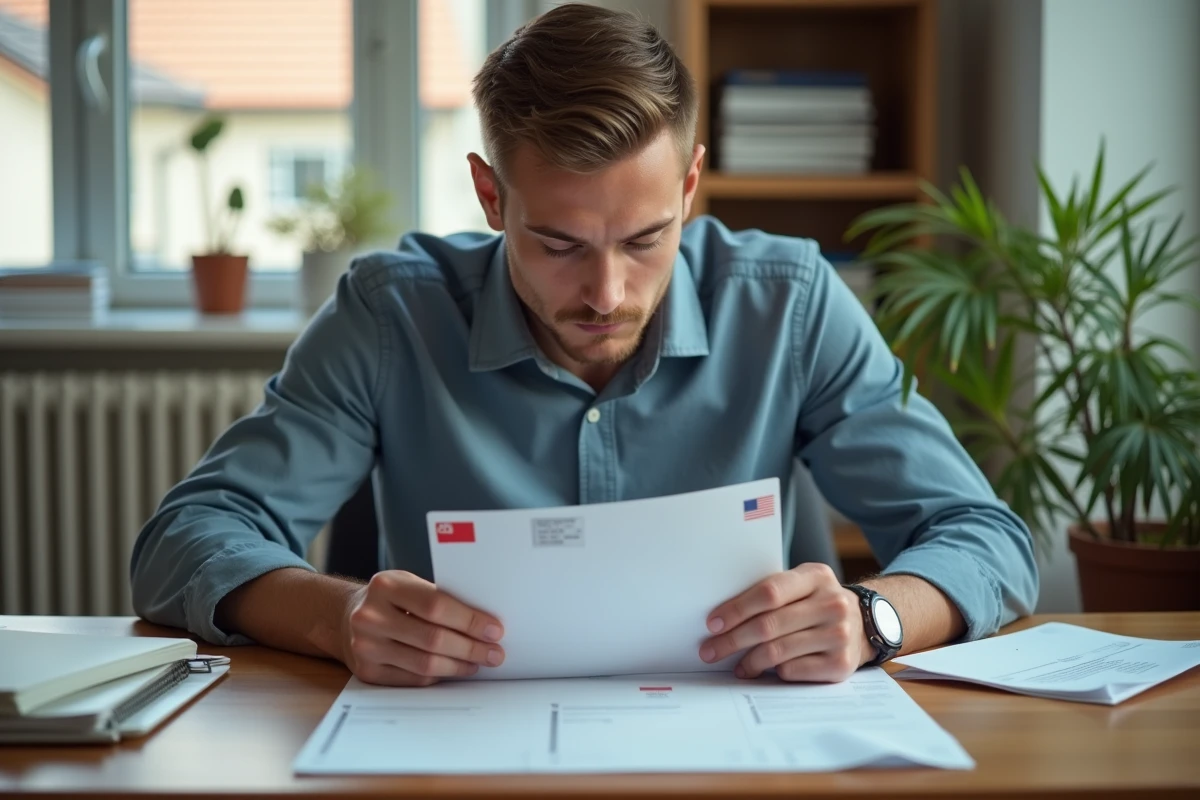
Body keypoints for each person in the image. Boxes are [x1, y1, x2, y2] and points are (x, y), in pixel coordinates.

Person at [131, 3, 1037, 687]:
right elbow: (182, 541)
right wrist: (340, 618)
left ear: (688, 185)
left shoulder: (790, 304)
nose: (607, 294)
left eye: (645, 239)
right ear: (492, 200)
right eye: (559, 244)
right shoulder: (390, 316)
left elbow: (986, 538)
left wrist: (873, 617)